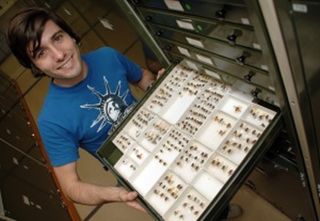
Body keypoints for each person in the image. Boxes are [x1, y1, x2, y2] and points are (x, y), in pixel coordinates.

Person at [7, 6, 242, 220]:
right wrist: (115, 194)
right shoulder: (51, 121)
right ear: (34, 67)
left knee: (207, 179)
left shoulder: (107, 56)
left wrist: (160, 89)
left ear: (70, 35)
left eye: (58, 38)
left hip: (165, 136)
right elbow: (70, 186)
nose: (59, 54)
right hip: (137, 172)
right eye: (41, 53)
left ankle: (222, 209)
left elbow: (142, 77)